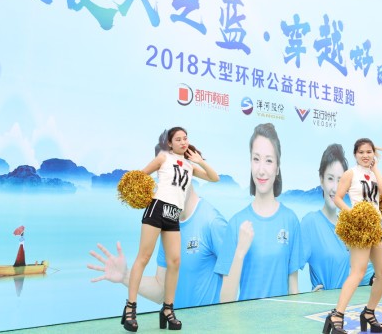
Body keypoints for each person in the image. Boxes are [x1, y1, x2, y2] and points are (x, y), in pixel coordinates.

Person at [118, 126, 220, 332]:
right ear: (170, 143)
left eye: (185, 138)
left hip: (174, 214)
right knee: (143, 257)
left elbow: (214, 177)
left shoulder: (190, 167)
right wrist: (143, 195)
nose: (183, 142)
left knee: (175, 262)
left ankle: (167, 309)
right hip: (156, 209)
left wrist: (199, 161)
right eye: (178, 139)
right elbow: (138, 177)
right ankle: (130, 308)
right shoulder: (163, 157)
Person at [88, 183, 227, 308]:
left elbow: (234, 282)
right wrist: (125, 276)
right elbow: (161, 291)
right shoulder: (169, 227)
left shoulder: (213, 222)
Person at [214, 123, 302, 302]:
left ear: (277, 168)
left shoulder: (290, 220)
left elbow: (293, 289)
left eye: (269, 161)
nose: (261, 170)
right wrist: (240, 251)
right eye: (256, 159)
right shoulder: (236, 223)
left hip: (282, 320)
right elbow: (225, 300)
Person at [323, 138, 382, 334]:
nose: (365, 155)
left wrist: (375, 168)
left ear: (373, 154)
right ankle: (337, 315)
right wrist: (352, 214)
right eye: (361, 152)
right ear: (355, 154)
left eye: (369, 152)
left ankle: (369, 312)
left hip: (377, 226)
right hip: (360, 227)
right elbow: (337, 198)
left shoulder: (375, 173)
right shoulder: (350, 173)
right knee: (358, 272)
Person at [300, 144, 352, 291]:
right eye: (330, 179)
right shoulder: (311, 222)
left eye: (340, 181)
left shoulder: (348, 225)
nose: (335, 188)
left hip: (350, 302)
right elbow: (290, 268)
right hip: (323, 304)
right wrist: (303, 298)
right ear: (321, 180)